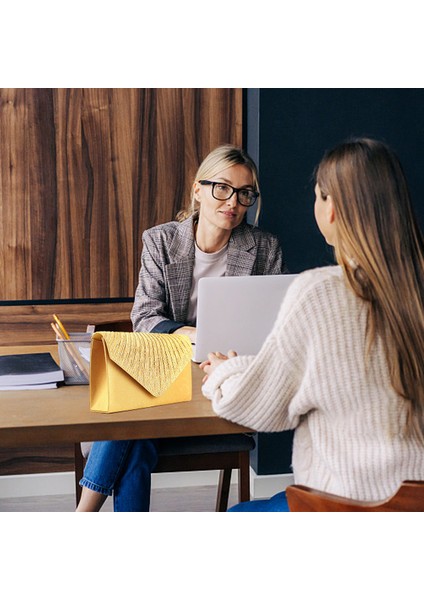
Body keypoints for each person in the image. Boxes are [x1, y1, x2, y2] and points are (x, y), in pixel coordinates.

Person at [200, 137, 424, 511]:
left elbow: (257, 406)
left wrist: (227, 371)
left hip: (342, 508)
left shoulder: (319, 292)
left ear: (331, 209)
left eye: (319, 195)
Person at [76, 144, 287, 511]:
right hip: (165, 376)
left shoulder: (264, 248)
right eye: (222, 188)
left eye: (244, 193)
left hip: (224, 380)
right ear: (197, 190)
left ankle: (83, 513)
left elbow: (278, 328)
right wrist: (184, 333)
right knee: (135, 429)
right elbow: (144, 317)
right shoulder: (160, 241)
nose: (233, 202)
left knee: (131, 423)